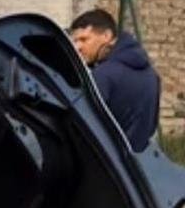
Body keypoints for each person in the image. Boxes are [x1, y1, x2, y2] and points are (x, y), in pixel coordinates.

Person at [68, 9, 161, 152]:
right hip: (139, 166)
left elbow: (83, 131)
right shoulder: (151, 74)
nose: (78, 47)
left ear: (106, 35)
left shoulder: (103, 75)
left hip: (106, 166)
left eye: (84, 39)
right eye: (75, 41)